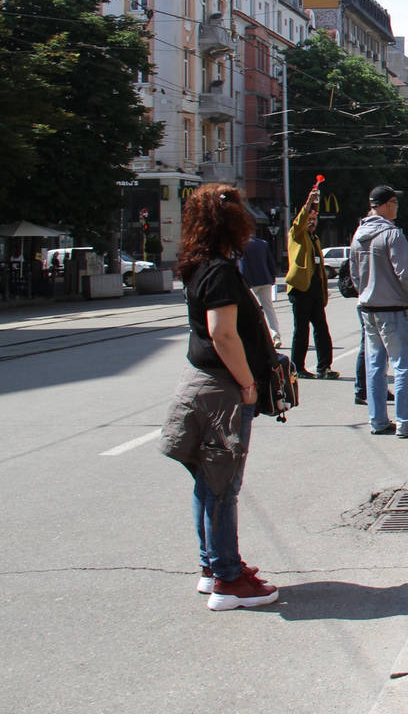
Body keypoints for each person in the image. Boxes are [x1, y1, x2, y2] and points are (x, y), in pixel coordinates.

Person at [158, 184, 280, 611]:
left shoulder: (199, 265)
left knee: (208, 483)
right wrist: (248, 384)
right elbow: (223, 334)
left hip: (203, 383)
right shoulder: (221, 272)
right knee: (224, 487)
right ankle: (229, 581)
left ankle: (214, 567)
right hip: (222, 390)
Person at [350, 185, 408, 438]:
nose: (397, 208)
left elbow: (355, 275)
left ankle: (378, 421)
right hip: (393, 309)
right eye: (395, 203)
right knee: (403, 367)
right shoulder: (392, 234)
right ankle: (407, 422)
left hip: (367, 308)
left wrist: (366, 293)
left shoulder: (358, 235)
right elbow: (406, 275)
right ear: (387, 204)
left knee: (375, 366)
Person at [285, 187, 336, 379]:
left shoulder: (314, 238)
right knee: (301, 330)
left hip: (314, 289)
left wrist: (323, 289)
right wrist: (309, 202)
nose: (312, 222)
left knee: (321, 329)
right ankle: (297, 367)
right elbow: (299, 221)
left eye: (314, 220)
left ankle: (324, 367)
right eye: (310, 219)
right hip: (300, 288)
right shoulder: (297, 234)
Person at [239, 232, 283, 347]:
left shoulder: (242, 245)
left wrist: (244, 283)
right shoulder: (263, 243)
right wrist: (272, 278)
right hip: (265, 279)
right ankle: (276, 336)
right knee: (269, 309)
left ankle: (258, 339)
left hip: (251, 282)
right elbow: (271, 263)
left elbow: (243, 266)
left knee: (252, 311)